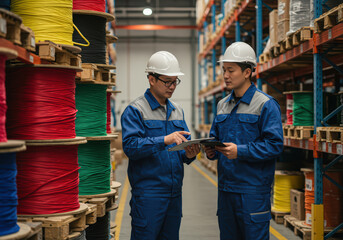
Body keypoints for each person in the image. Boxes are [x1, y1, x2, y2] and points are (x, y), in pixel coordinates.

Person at [204, 42, 283, 240]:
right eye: (224, 70)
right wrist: (210, 150)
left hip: (252, 192)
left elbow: (274, 145)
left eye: (231, 70)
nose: (225, 75)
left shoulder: (265, 104)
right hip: (226, 189)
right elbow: (215, 137)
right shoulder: (222, 105)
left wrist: (241, 151)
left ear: (247, 72)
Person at [121, 51, 200, 240]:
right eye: (167, 82)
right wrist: (164, 139)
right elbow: (131, 147)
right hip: (148, 195)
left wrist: (189, 154)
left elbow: (181, 152)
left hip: (174, 194)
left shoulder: (177, 111)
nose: (172, 87)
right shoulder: (135, 110)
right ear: (151, 79)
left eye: (175, 82)